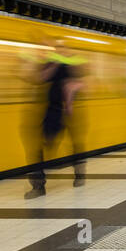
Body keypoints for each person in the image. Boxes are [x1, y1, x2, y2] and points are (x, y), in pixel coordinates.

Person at [27, 44, 86, 198]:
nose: (60, 51)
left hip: (67, 111)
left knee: (74, 145)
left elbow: (75, 85)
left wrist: (69, 104)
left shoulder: (71, 65)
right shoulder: (50, 64)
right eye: (57, 49)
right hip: (51, 112)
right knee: (39, 147)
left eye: (62, 48)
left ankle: (79, 174)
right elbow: (39, 79)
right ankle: (38, 186)